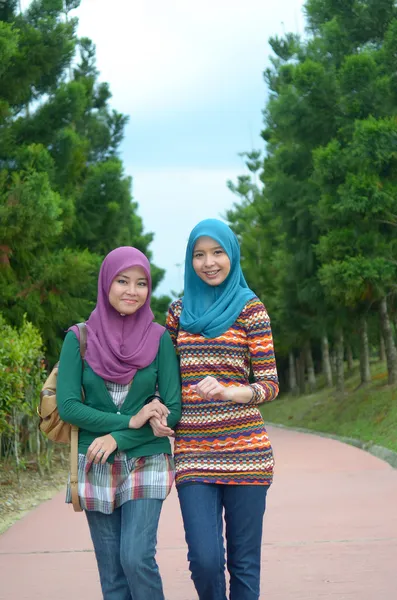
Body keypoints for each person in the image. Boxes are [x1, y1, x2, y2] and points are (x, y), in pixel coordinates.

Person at [57, 246, 181, 600]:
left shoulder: (159, 339)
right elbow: (68, 406)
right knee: (112, 574)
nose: (132, 290)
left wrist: (119, 437)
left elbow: (172, 407)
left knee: (136, 557)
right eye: (123, 281)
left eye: (141, 283)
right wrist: (131, 419)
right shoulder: (78, 338)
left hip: (147, 458)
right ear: (106, 283)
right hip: (96, 460)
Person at [166, 219, 279, 600]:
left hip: (247, 452)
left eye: (217, 253)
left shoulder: (251, 309)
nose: (208, 263)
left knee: (244, 564)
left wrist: (232, 392)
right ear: (189, 260)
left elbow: (270, 384)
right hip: (193, 452)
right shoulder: (178, 314)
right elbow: (163, 380)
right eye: (199, 254)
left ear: (231, 255)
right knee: (205, 559)